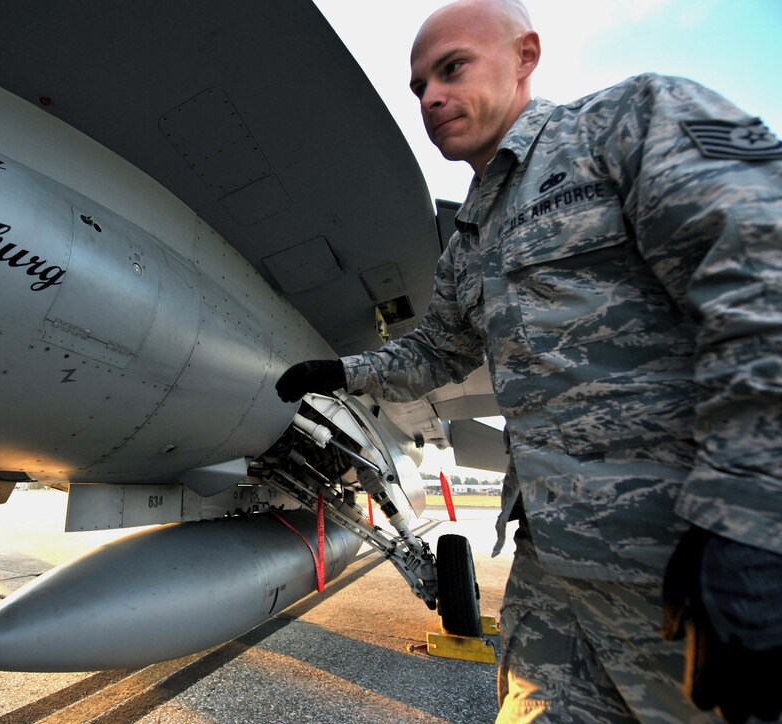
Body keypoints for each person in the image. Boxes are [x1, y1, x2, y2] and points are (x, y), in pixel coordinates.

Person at [275, 0, 782, 721]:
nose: (432, 97)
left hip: (685, 560)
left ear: (525, 57)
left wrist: (752, 518)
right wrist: (344, 374)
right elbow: (439, 351)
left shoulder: (628, 124)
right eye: (418, 86)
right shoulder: (470, 238)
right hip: (553, 569)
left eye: (452, 68)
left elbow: (761, 275)